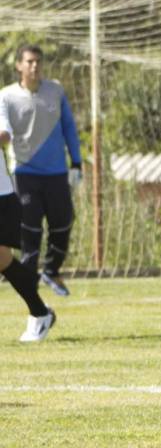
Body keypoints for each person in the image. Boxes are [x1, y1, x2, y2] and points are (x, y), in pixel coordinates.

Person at [0, 45, 83, 297]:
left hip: (56, 172)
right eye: (29, 61)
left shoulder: (55, 91)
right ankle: (29, 282)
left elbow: (69, 127)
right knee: (30, 229)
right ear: (19, 66)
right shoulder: (6, 96)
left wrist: (76, 163)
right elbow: (4, 131)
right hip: (25, 172)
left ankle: (51, 270)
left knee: (63, 222)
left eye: (38, 61)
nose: (34, 66)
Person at [0, 106, 57, 342]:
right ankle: (40, 311)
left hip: (1, 197)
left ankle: (40, 311)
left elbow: (5, 135)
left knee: (1, 258)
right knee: (3, 260)